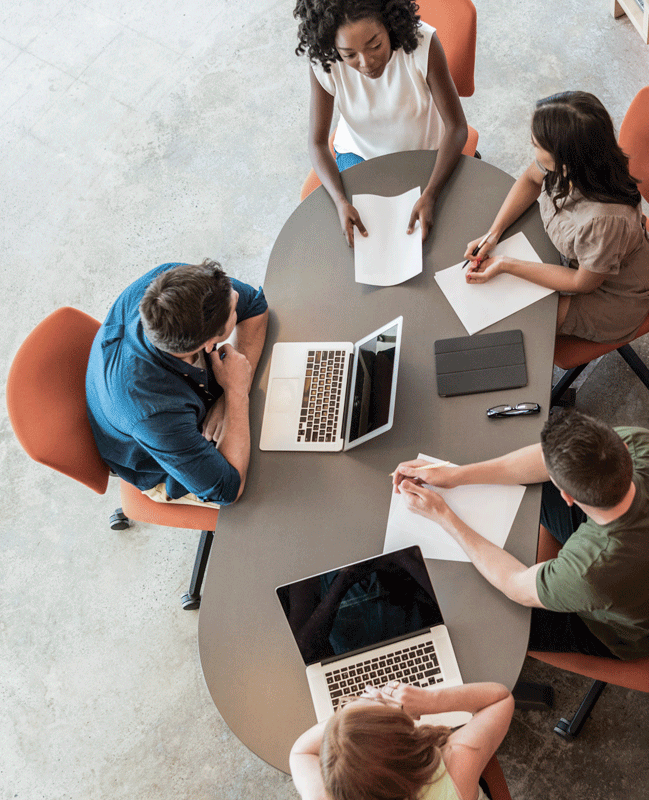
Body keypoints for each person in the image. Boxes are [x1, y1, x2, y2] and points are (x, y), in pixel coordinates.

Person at [392, 409, 649, 661]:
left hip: (633, 634)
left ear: (566, 496)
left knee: (487, 614)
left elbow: (514, 584)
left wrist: (443, 516)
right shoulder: (646, 445)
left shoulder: (587, 571)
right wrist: (457, 476)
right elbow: (543, 460)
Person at [464, 91, 649, 344]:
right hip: (581, 261)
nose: (533, 148)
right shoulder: (581, 160)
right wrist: (493, 234)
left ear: (566, 162)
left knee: (514, 319)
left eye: (537, 145)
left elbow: (583, 283)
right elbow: (530, 179)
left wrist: (505, 264)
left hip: (613, 295)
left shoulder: (603, 222)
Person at [86, 260, 268, 507]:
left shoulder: (171, 286)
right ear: (206, 344)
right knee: (269, 482)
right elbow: (227, 489)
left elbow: (256, 306)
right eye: (233, 310)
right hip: (161, 464)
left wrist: (227, 401)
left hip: (176, 408)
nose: (237, 294)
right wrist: (236, 391)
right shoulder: (153, 412)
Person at [294, 0, 468, 246]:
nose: (366, 63)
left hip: (425, 154)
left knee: (437, 240)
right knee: (365, 243)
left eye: (375, 45)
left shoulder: (421, 45)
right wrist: (340, 201)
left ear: (389, 25)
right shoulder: (324, 63)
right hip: (360, 155)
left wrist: (431, 193)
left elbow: (457, 127)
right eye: (349, 55)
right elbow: (317, 143)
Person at [290, 681, 513, 800]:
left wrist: (349, 720)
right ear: (408, 740)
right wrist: (431, 701)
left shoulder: (325, 796)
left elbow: (300, 752)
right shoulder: (455, 767)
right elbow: (501, 699)